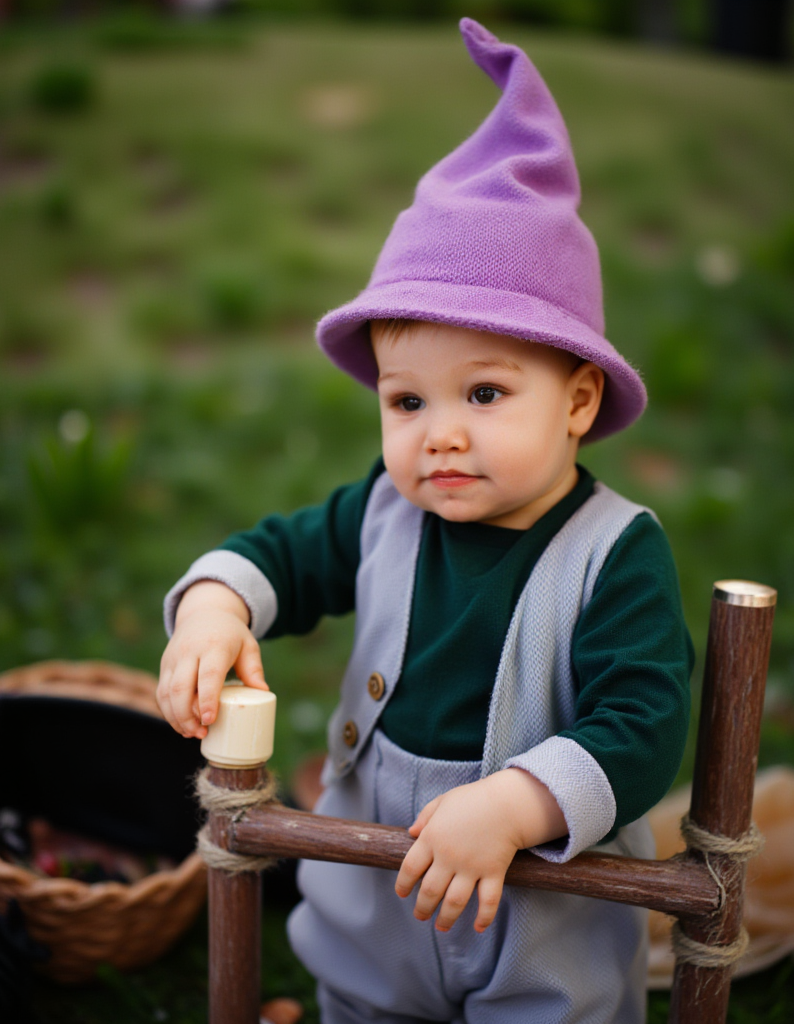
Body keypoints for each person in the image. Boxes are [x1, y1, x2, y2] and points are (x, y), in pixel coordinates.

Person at [157, 19, 693, 1024]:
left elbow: (644, 722)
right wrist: (214, 609)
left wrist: (518, 804)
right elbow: (281, 554)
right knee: (366, 1003)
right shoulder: (385, 509)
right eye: (407, 400)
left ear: (578, 401)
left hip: (537, 908)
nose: (438, 434)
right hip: (380, 893)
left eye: (484, 394)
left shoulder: (615, 555)